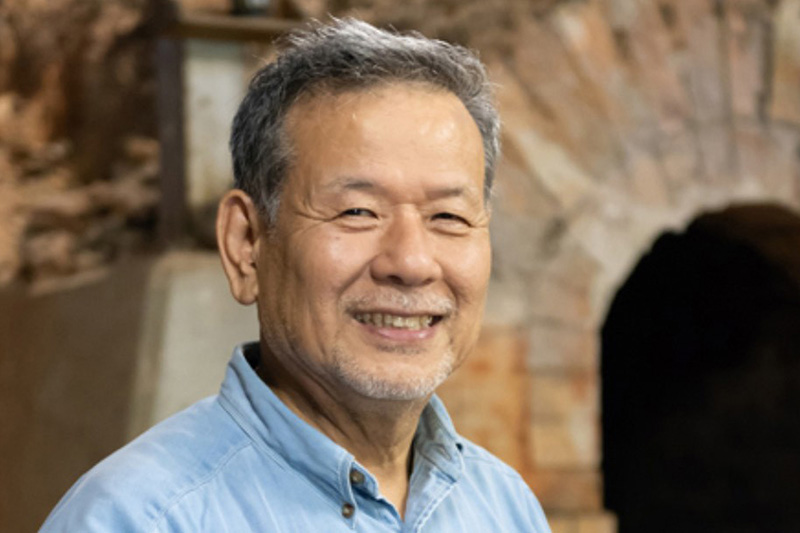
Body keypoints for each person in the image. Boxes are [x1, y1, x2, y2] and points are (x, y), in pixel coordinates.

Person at [41, 18, 551, 532]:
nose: (411, 263)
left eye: (448, 216)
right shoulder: (137, 518)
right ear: (246, 244)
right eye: (357, 212)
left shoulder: (504, 507)